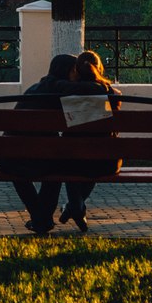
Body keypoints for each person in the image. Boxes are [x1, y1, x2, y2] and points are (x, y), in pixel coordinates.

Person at [1, 53, 107, 234]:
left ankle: (40, 218)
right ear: (70, 71)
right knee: (57, 168)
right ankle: (44, 217)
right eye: (75, 71)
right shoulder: (64, 92)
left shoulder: (35, 89)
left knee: (40, 165)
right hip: (40, 161)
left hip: (10, 159)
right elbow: (98, 102)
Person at [57, 50, 122, 232]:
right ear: (98, 68)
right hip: (104, 162)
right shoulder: (111, 93)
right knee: (94, 154)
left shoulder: (62, 91)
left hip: (71, 160)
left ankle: (75, 207)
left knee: (72, 159)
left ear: (76, 70)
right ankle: (75, 208)